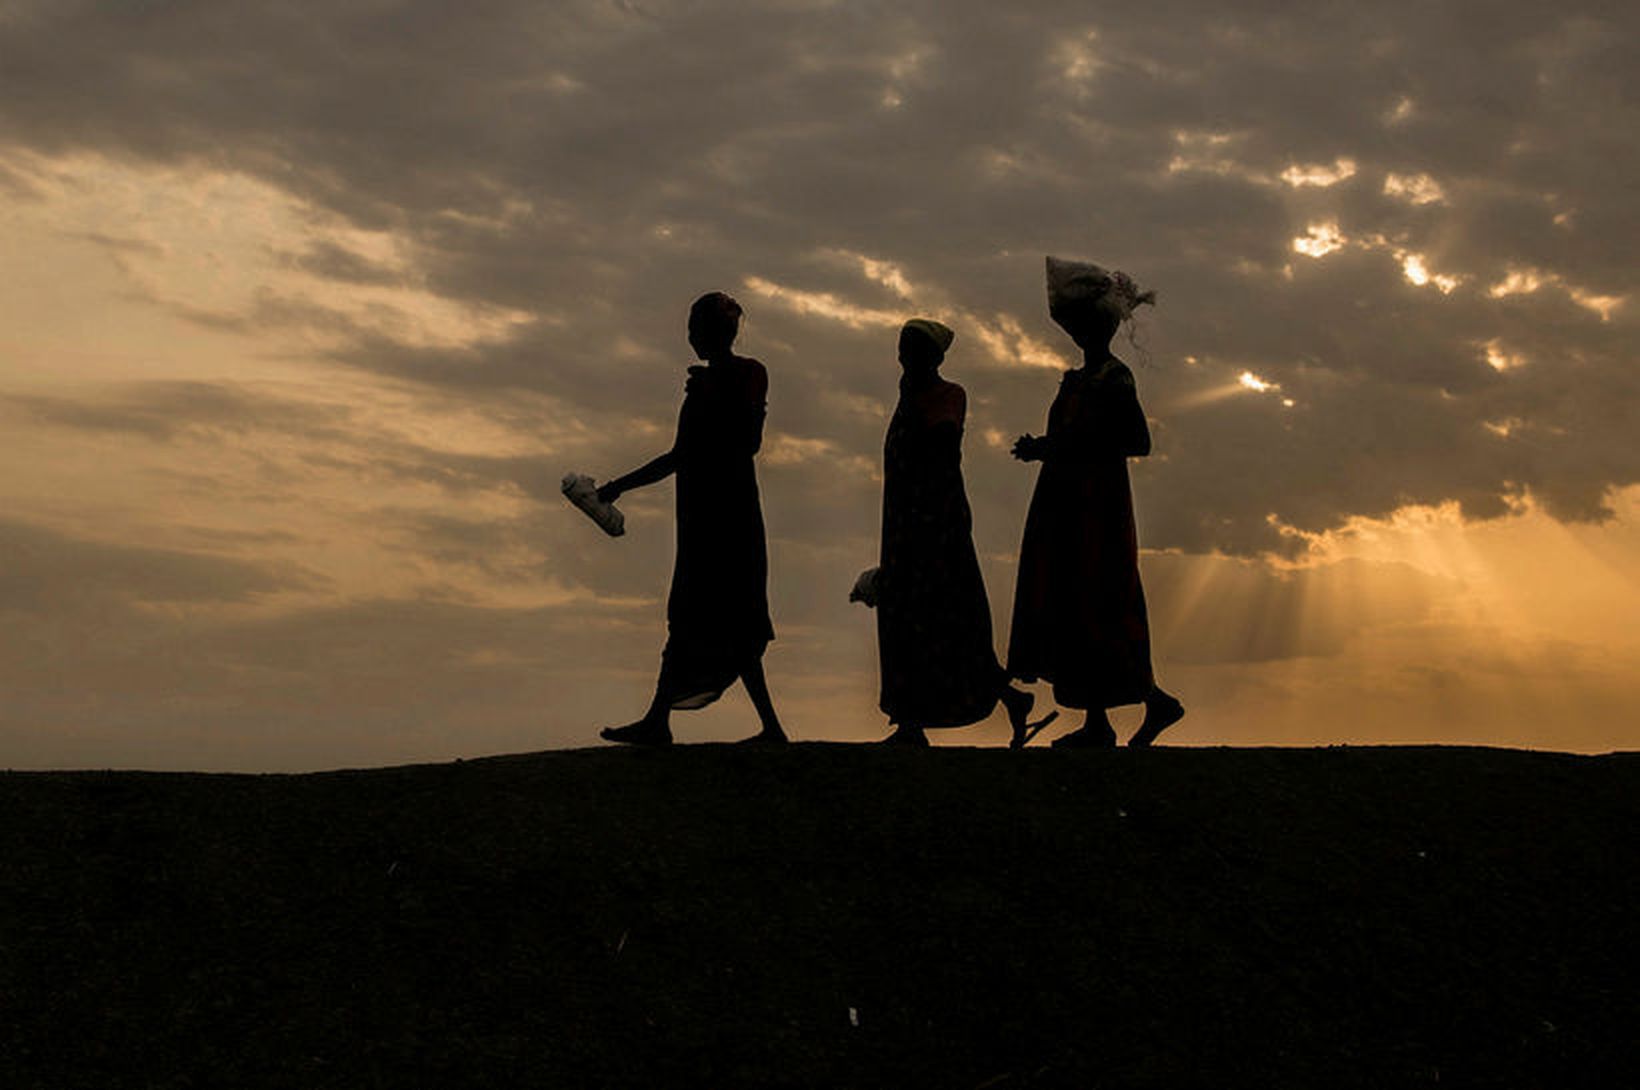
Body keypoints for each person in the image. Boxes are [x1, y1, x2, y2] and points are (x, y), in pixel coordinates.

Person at [594, 292, 787, 746]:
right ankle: (660, 720)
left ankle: (762, 728)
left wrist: (711, 392)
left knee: (733, 620)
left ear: (716, 333)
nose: (690, 336)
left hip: (732, 519)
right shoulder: (703, 388)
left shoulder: (747, 374)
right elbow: (679, 456)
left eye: (695, 328)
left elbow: (748, 441)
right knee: (687, 618)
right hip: (700, 522)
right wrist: (618, 486)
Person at [1006, 258, 1184, 748]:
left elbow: (1136, 441)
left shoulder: (1115, 379)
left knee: (1101, 602)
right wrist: (1046, 446)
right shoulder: (1079, 380)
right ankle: (1102, 722)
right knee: (1078, 606)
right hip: (1070, 506)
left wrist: (1056, 448)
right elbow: (1077, 436)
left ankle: (1141, 707)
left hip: (1098, 511)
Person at [871, 319, 1056, 748]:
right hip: (903, 528)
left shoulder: (945, 396)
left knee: (948, 620)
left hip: (938, 527)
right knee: (912, 620)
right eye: (902, 349)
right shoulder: (909, 399)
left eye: (912, 350)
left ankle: (921, 721)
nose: (904, 358)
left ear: (933, 357)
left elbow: (943, 437)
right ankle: (924, 719)